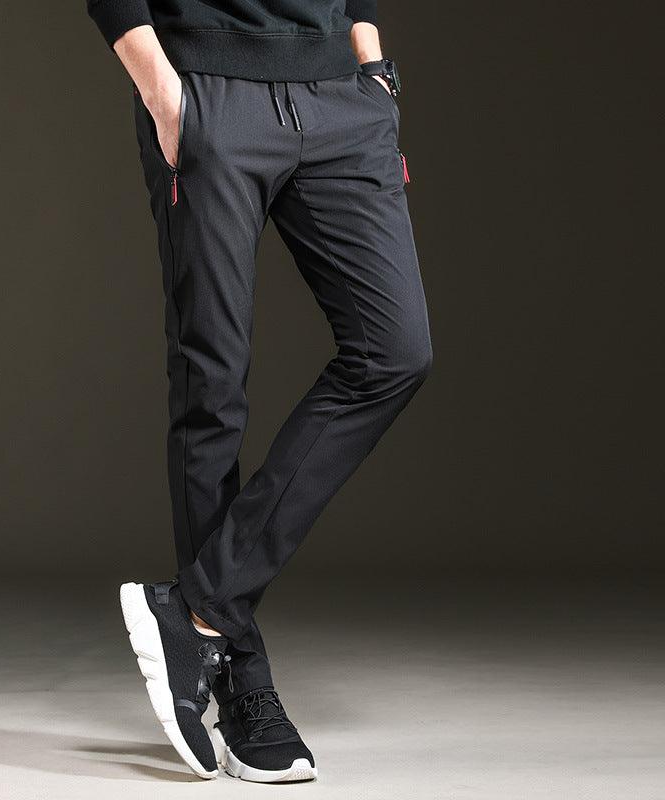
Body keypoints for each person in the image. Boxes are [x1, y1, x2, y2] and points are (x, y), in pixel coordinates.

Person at [87, 0, 432, 783]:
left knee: (395, 352)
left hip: (342, 98)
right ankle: (242, 684)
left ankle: (198, 610)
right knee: (212, 385)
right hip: (209, 94)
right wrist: (164, 96)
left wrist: (372, 70)